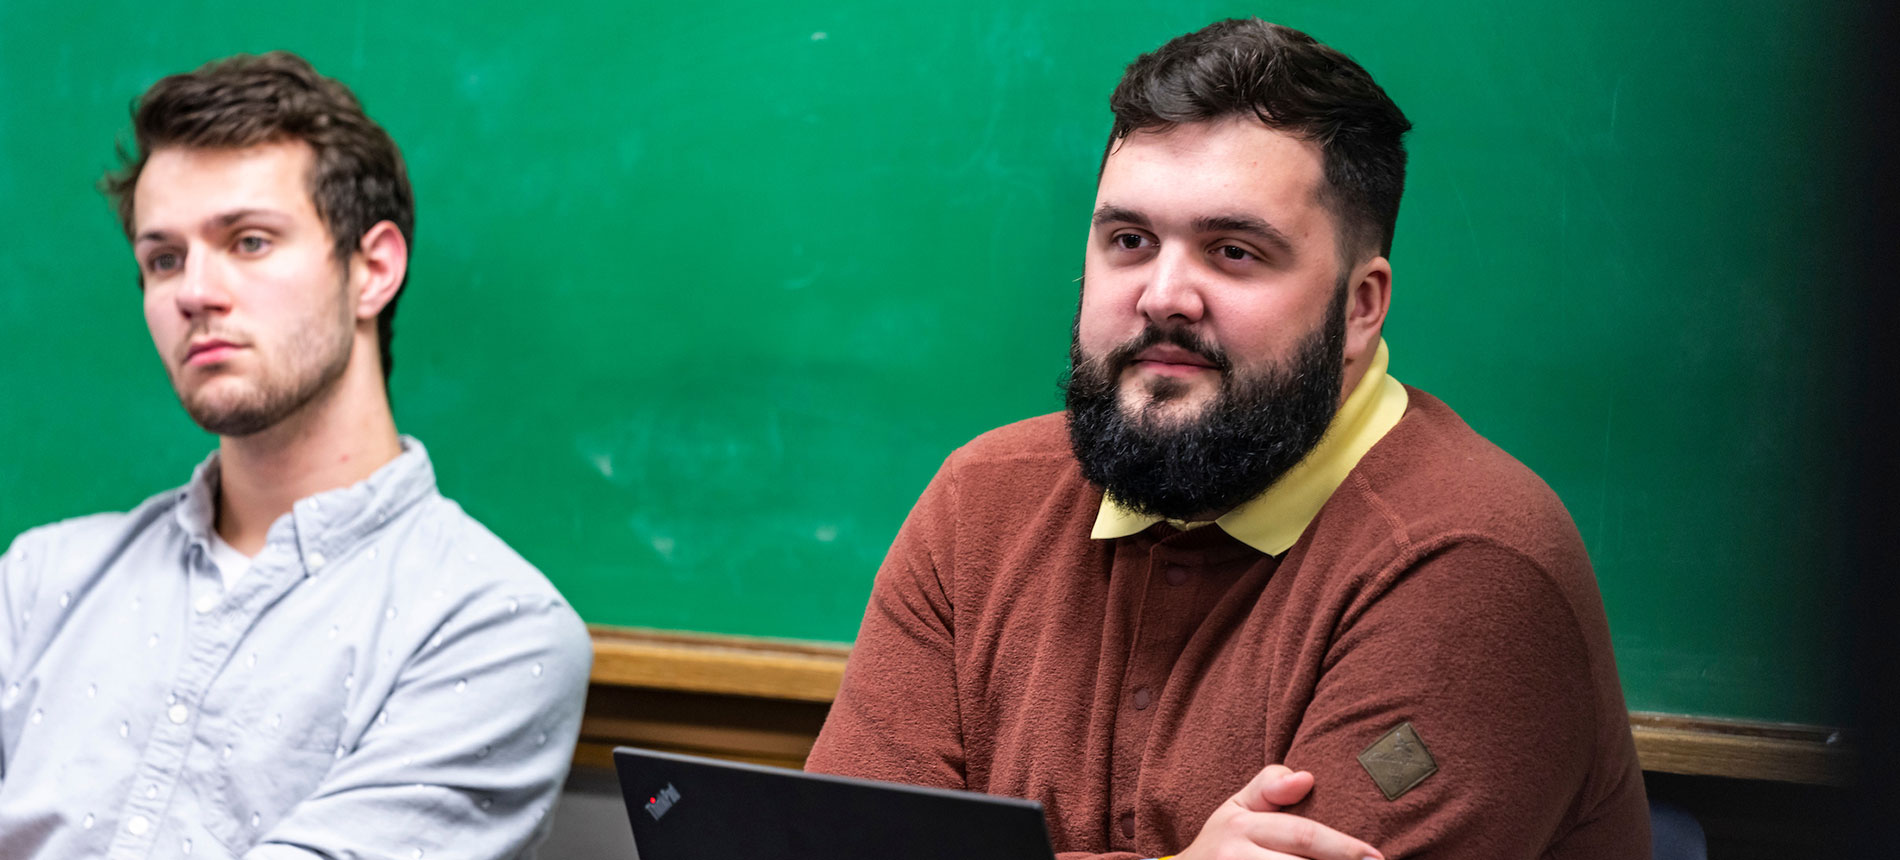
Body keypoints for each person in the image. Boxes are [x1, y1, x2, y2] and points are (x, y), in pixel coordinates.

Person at [806, 18, 1650, 860]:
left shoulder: (1470, 559)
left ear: (1360, 307)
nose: (1164, 296)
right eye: (1130, 242)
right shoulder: (979, 502)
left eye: (1234, 251)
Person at [0, 52, 592, 859]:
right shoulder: (40, 581)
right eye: (163, 258)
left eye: (248, 241)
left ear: (372, 270)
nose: (193, 292)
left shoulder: (494, 630)